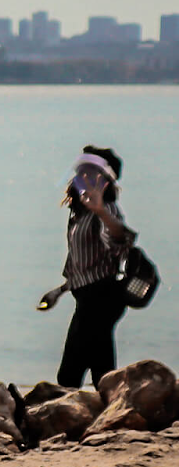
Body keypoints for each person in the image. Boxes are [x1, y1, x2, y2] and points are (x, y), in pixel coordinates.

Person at [40, 147, 136, 388]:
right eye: (80, 171)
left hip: (102, 299)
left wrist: (101, 210)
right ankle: (109, 415)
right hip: (88, 297)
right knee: (102, 371)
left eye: (90, 173)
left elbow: (118, 240)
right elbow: (83, 264)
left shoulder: (105, 211)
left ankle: (73, 418)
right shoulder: (80, 214)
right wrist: (60, 291)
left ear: (103, 180)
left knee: (70, 374)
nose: (81, 177)